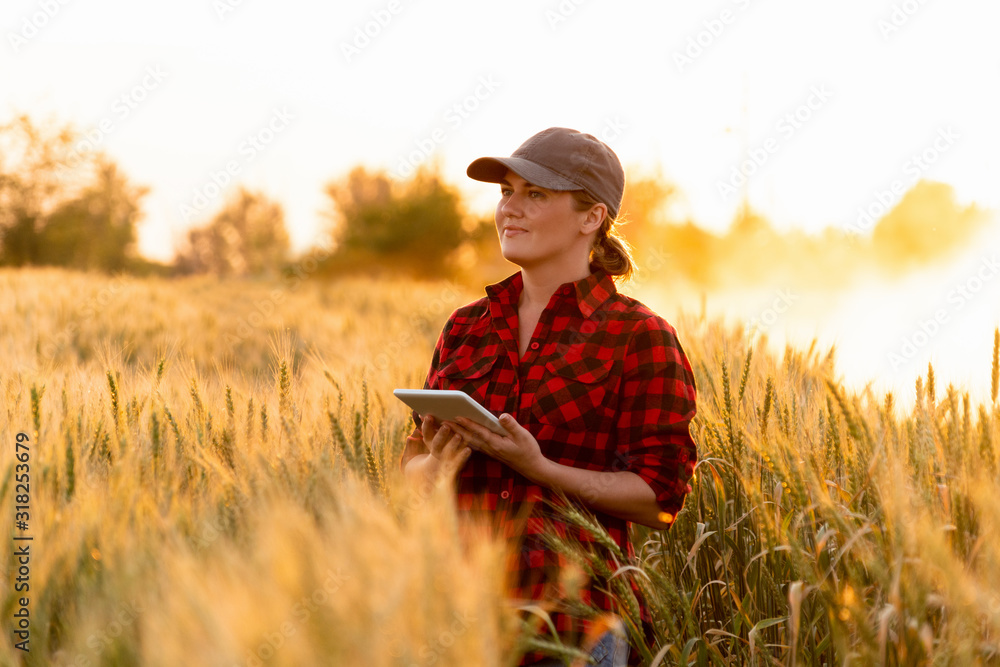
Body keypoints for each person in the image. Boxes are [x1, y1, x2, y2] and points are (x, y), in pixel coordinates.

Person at [401, 127, 697, 667]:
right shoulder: (466, 327)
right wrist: (432, 467)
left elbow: (660, 500)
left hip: (577, 628)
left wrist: (539, 468)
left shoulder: (638, 335)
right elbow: (409, 464)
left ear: (591, 218)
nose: (510, 209)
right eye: (506, 192)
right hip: (457, 621)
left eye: (535, 194)